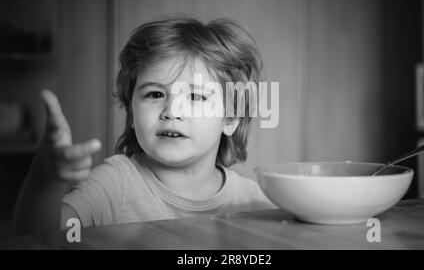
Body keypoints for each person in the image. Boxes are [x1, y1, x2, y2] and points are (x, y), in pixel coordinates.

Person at [13, 16, 275, 234]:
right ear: (131, 109)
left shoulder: (255, 201)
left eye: (195, 96)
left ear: (230, 118)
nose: (172, 111)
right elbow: (37, 237)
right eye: (155, 94)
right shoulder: (115, 183)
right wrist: (45, 178)